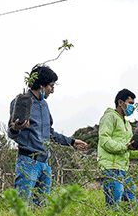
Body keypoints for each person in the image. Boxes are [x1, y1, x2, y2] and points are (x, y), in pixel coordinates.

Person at [8, 65, 88, 206]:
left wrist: (72, 142)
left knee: (42, 208)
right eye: (51, 86)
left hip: (44, 164)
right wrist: (15, 129)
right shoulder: (22, 102)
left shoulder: (44, 105)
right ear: (41, 85)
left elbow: (49, 133)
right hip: (27, 162)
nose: (52, 90)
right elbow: (11, 133)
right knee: (21, 208)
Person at [97, 88, 138, 209]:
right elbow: (104, 140)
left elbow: (129, 152)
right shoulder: (110, 117)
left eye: (133, 104)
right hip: (111, 167)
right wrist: (125, 147)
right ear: (120, 103)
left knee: (132, 203)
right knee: (114, 205)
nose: (132, 107)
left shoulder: (126, 124)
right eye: (130, 103)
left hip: (123, 169)